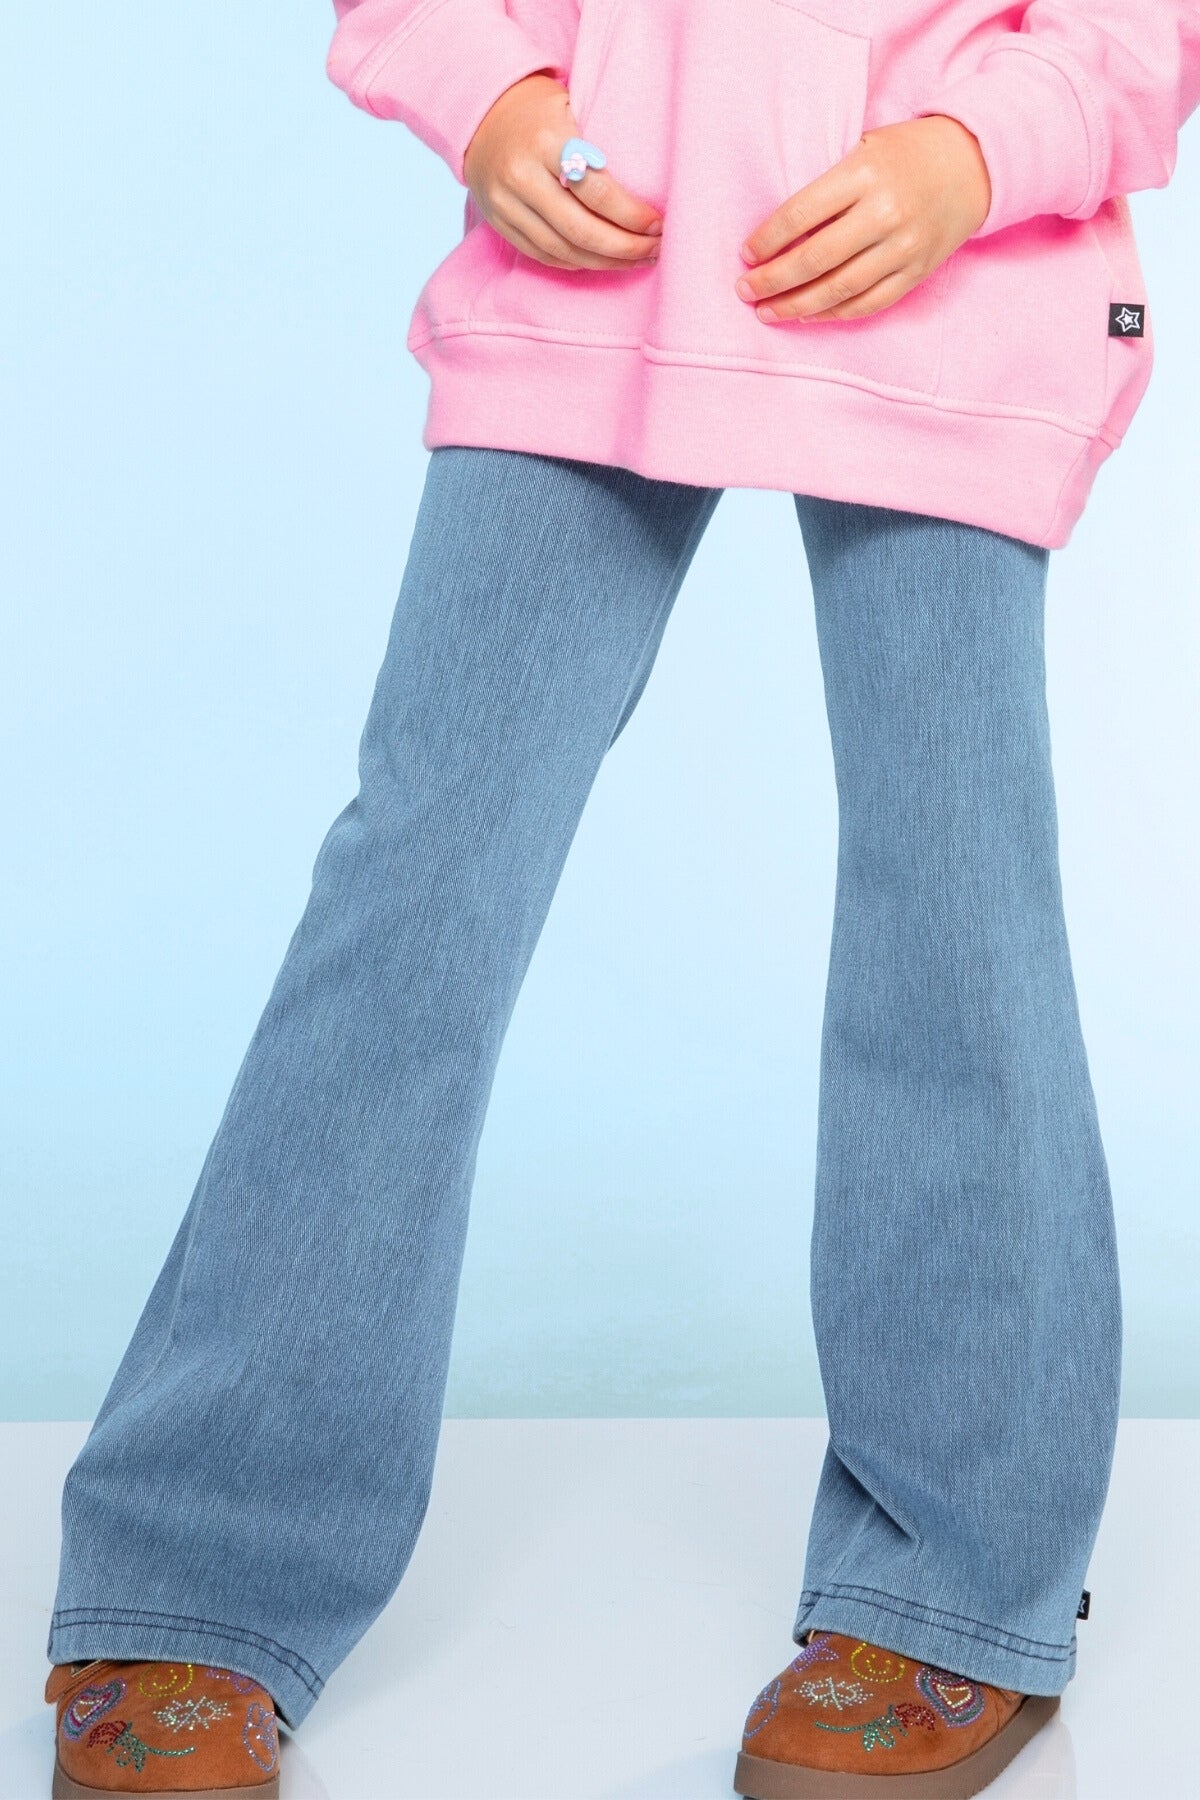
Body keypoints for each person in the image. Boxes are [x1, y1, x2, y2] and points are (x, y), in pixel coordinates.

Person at [44, 3, 1200, 1797]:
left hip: (948, 279)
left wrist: (972, 153)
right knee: (419, 887)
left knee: (954, 902)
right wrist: (492, 96)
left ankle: (959, 1582)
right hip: (592, 268)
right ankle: (202, 1561)